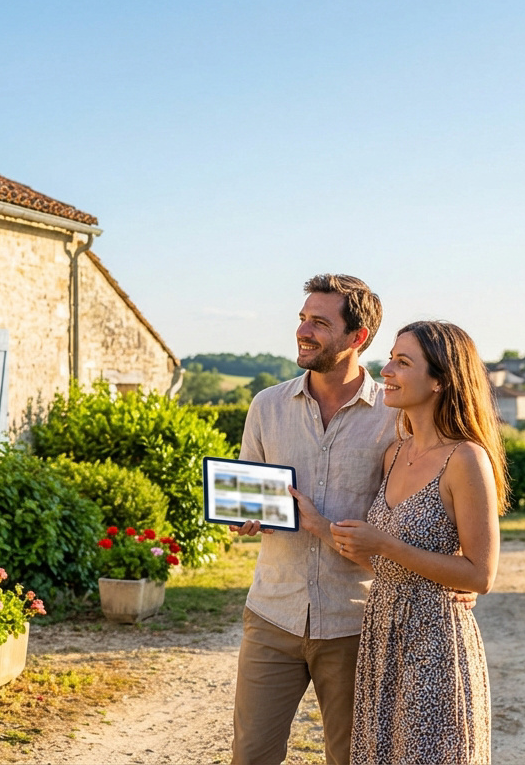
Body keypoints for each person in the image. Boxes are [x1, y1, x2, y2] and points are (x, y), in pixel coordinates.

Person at [316, 321, 505, 764]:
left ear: (440, 380)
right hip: (381, 638)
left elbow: (481, 575)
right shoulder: (394, 453)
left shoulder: (466, 458)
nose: (387, 370)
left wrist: (386, 545)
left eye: (403, 362)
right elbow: (381, 558)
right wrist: (314, 523)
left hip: (436, 643)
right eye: (390, 358)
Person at [230, 273, 394, 765]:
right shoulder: (267, 406)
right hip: (272, 613)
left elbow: (407, 517)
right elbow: (247, 495)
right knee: (251, 755)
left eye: (319, 323)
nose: (303, 331)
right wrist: (242, 517)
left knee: (352, 758)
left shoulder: (395, 415)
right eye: (303, 319)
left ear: (357, 337)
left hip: (355, 622)